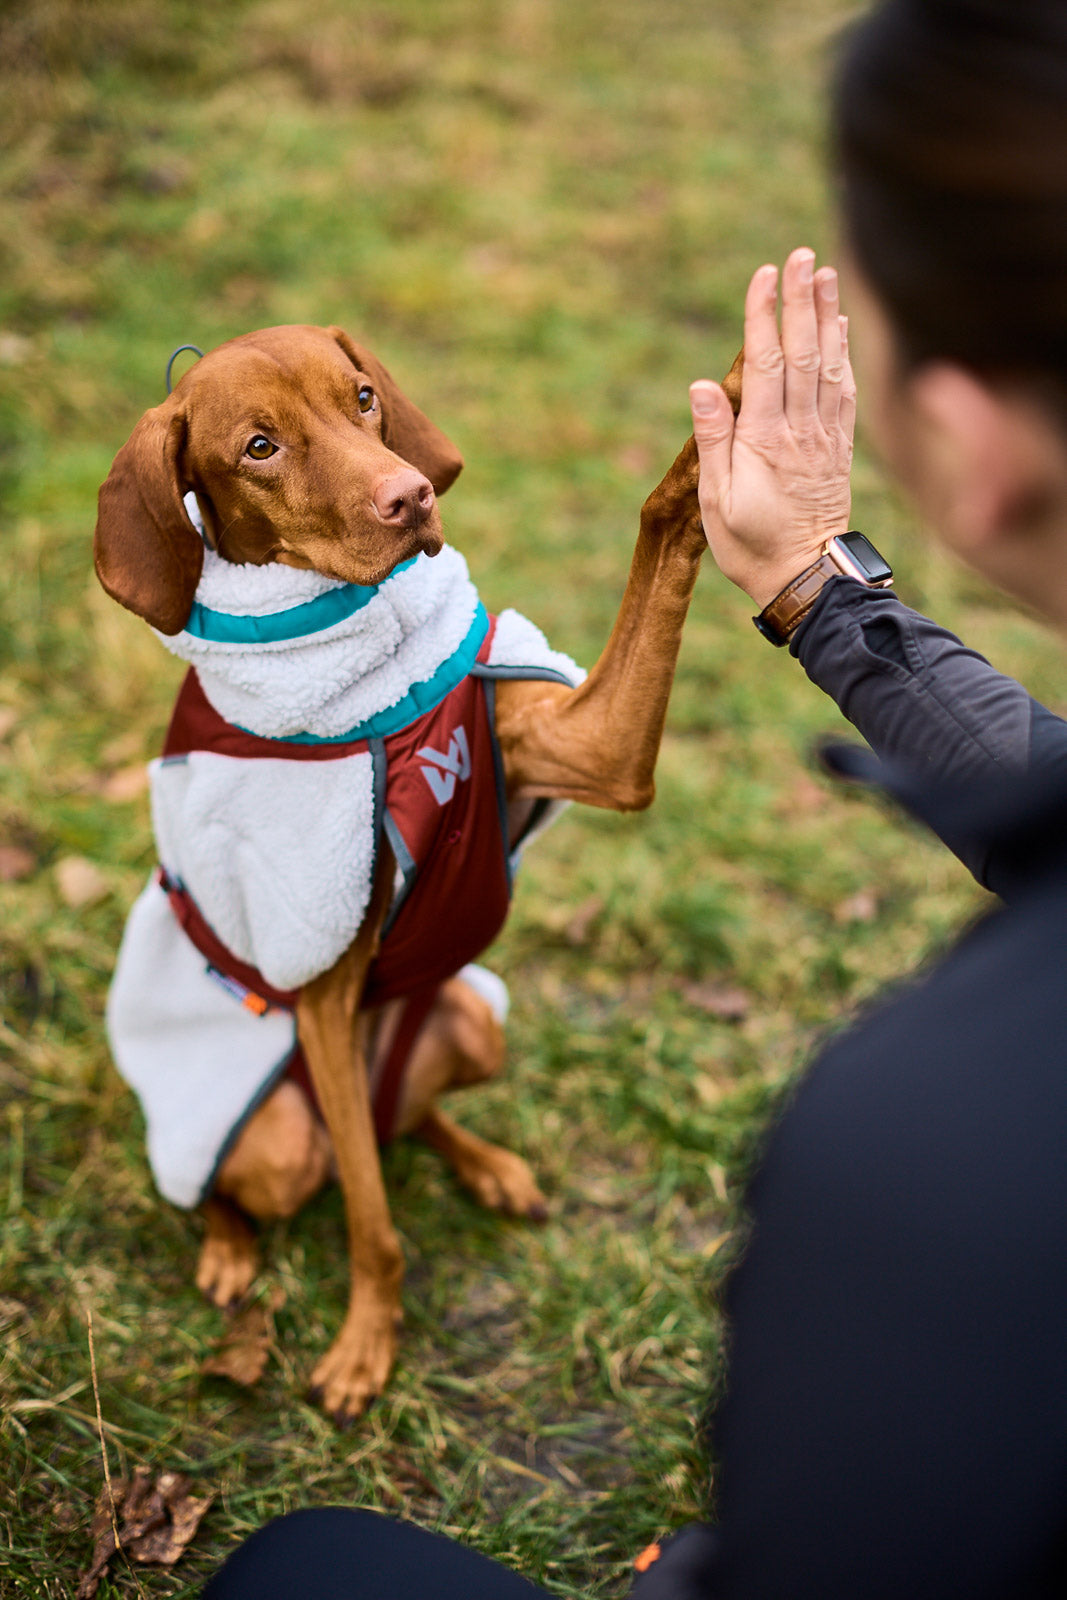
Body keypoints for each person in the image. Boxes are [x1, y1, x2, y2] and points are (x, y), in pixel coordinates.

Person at [202, 0, 1067, 1594]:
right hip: (285, 1022)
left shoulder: (921, 1144)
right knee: (279, 1143)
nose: (386, 476)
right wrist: (815, 584)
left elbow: (603, 768)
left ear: (963, 438)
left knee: (287, 1570)